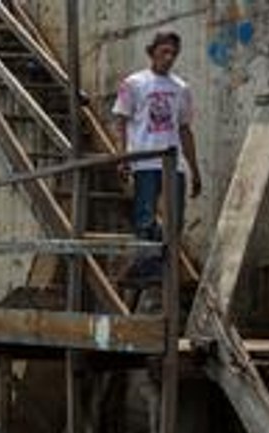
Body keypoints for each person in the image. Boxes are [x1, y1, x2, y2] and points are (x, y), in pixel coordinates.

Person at [112, 30, 202, 280]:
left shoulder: (181, 88)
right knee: (145, 218)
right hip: (144, 162)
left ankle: (160, 268)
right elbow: (120, 122)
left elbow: (185, 130)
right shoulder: (134, 83)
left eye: (173, 53)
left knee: (175, 221)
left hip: (174, 164)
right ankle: (146, 267)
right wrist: (122, 157)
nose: (169, 57)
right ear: (152, 52)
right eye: (164, 51)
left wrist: (194, 169)